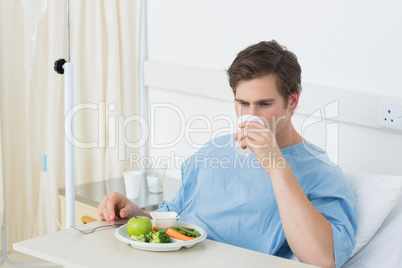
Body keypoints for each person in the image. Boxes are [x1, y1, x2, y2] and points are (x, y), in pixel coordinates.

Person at [98, 40, 357, 268]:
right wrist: (135, 215)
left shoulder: (320, 171)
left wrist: (275, 165)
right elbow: (176, 222)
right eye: (243, 103)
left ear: (293, 100)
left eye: (264, 104)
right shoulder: (215, 151)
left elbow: (323, 259)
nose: (251, 115)